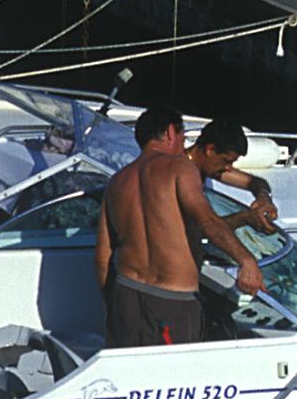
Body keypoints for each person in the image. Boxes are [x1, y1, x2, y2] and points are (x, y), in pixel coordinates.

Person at [99, 105, 267, 349]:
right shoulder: (181, 168)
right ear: (170, 132)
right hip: (171, 302)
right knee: (174, 381)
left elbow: (103, 255)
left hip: (126, 294)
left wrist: (111, 306)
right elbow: (207, 221)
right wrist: (247, 261)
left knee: (136, 380)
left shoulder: (117, 181)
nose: (184, 142)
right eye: (182, 134)